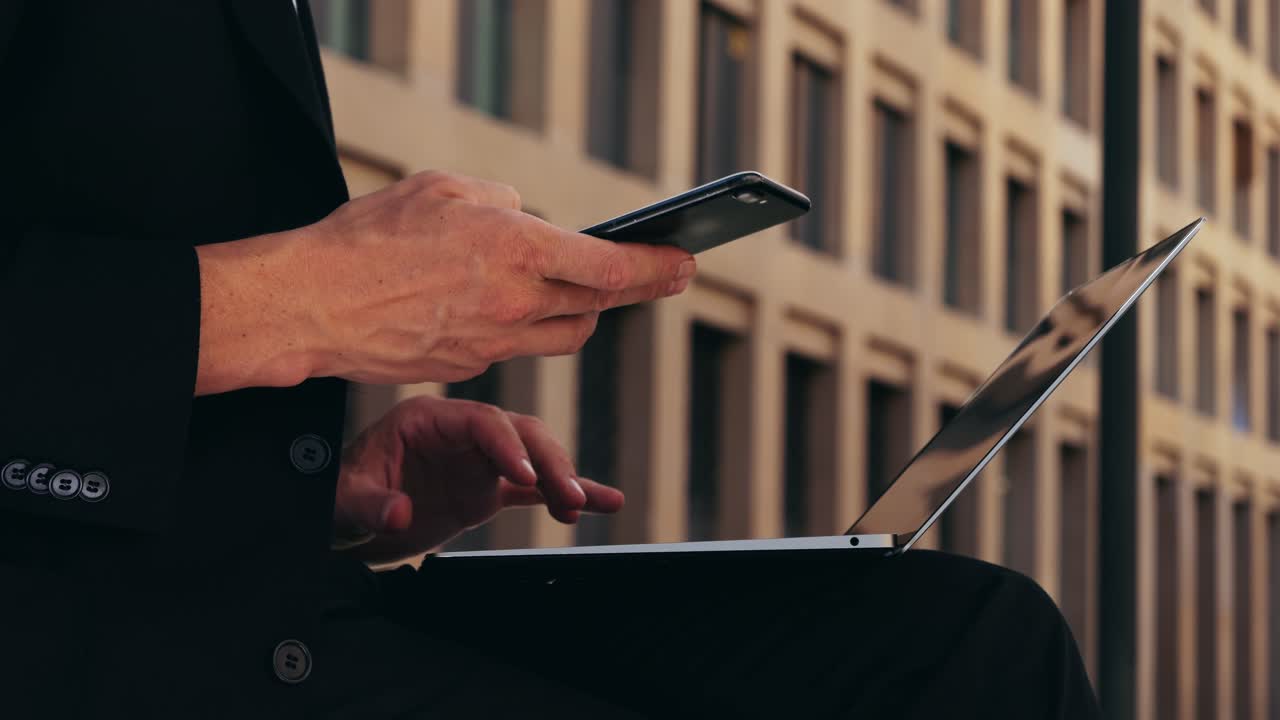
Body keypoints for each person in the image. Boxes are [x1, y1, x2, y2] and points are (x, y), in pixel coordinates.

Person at [0, 2, 1101, 718]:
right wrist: (294, 303)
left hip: (255, 589)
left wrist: (305, 495)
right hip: (97, 643)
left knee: (965, 640)